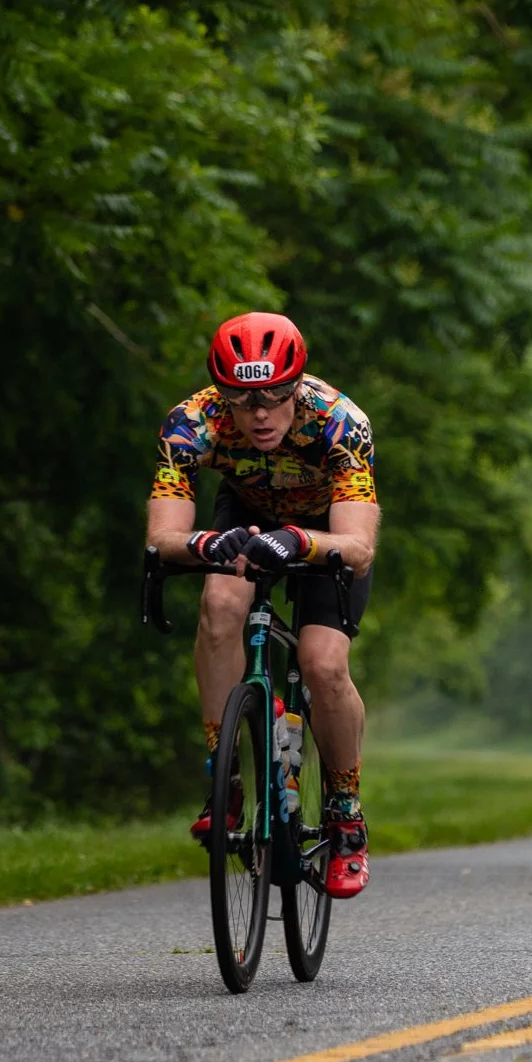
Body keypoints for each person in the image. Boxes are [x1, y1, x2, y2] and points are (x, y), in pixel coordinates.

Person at [144, 312, 378, 898]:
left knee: (323, 663)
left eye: (275, 397)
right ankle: (225, 781)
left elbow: (360, 549)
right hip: (246, 515)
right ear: (222, 395)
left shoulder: (340, 424)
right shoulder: (190, 423)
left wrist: (302, 541)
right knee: (221, 605)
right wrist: (201, 543)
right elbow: (162, 537)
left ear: (298, 386)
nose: (261, 414)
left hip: (324, 531)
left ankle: (345, 808)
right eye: (243, 401)